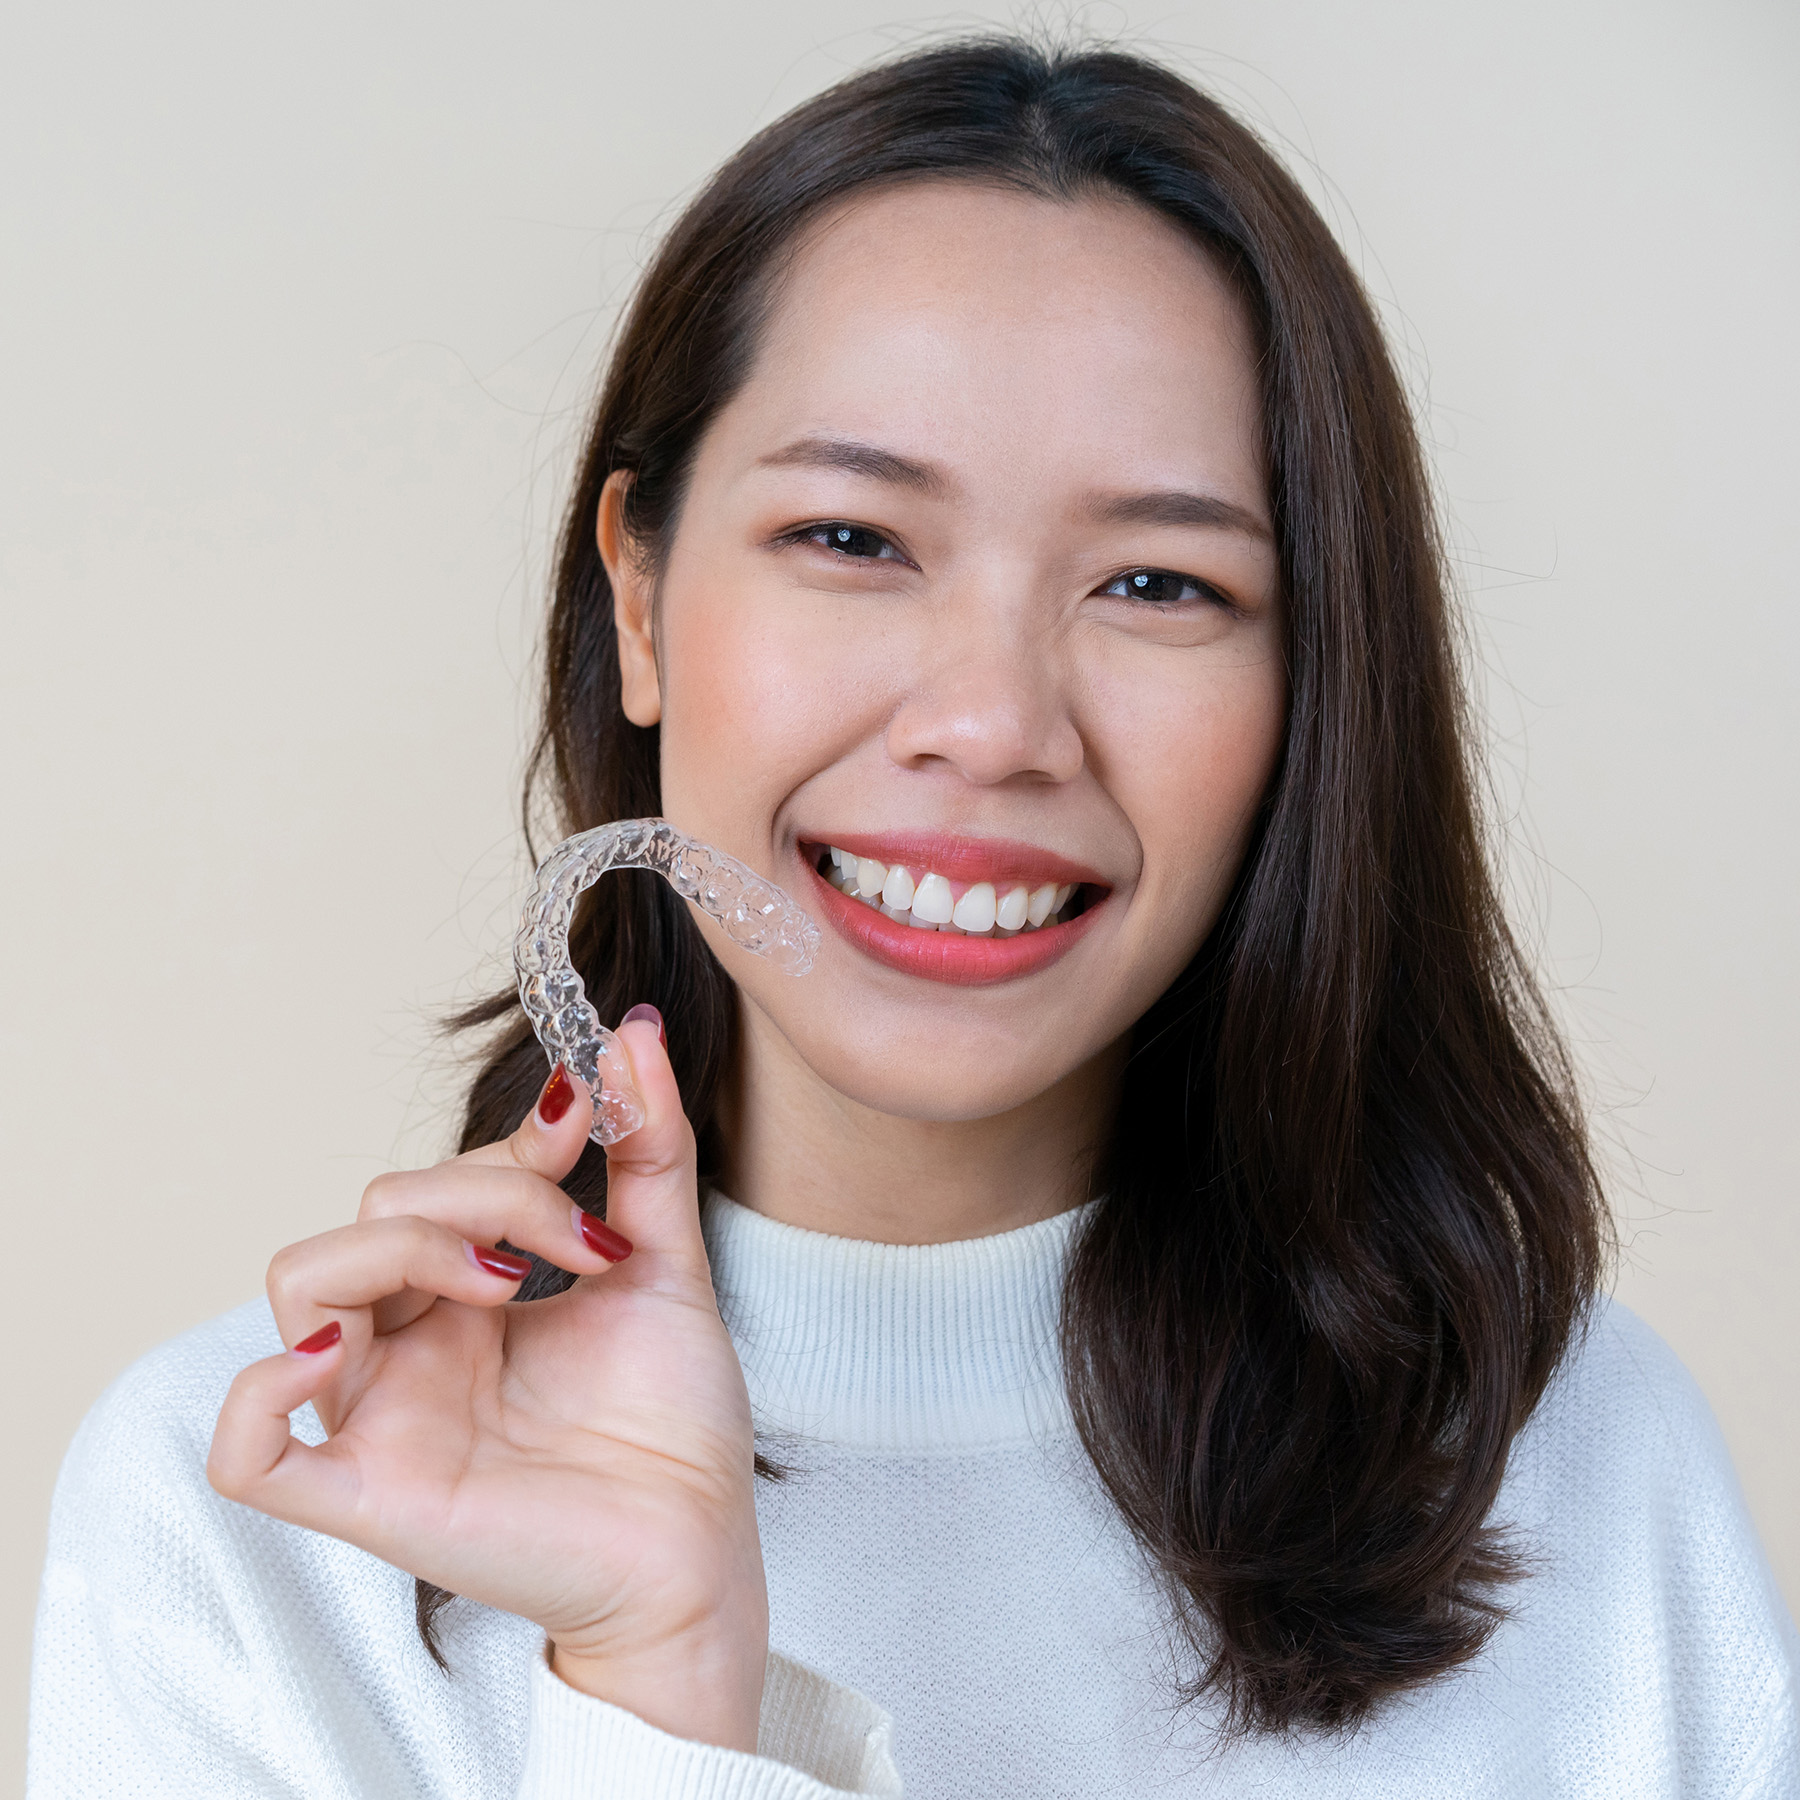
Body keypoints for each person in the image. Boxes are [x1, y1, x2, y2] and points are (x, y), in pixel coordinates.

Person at [28, 34, 1799, 1800]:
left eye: (1159, 581)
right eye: (856, 540)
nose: (994, 724)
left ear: (1313, 686)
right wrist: (653, 1694)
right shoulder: (257, 1513)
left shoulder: (1575, 1477)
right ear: (637, 597)